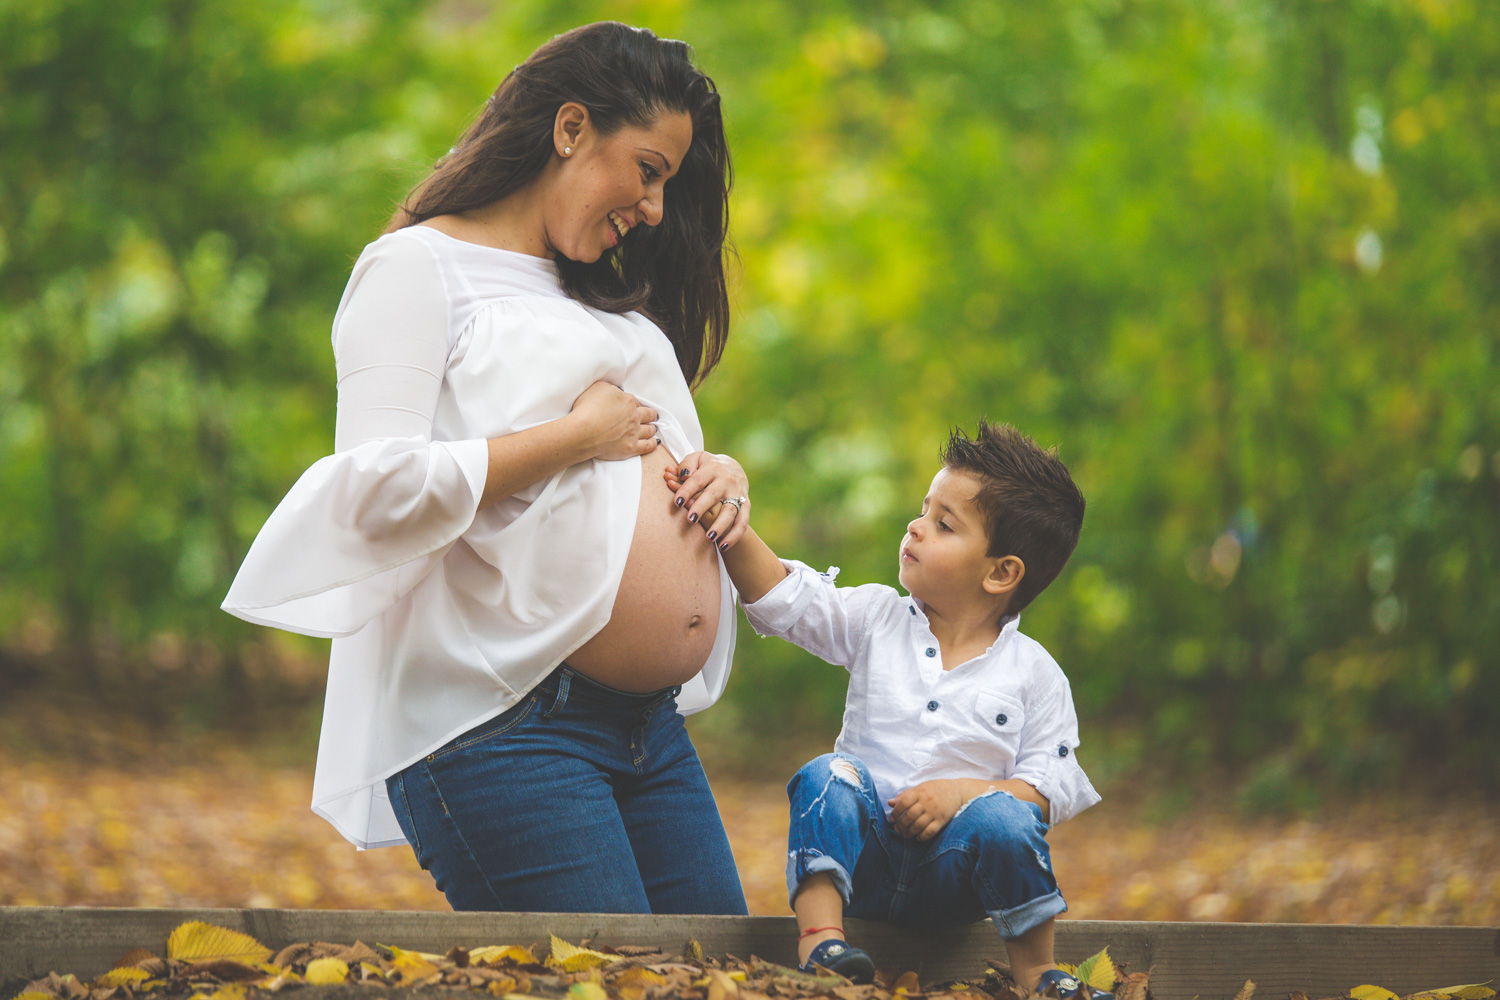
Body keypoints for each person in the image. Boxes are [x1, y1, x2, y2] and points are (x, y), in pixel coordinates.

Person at [222, 22, 753, 915]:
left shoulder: (593, 287)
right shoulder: (414, 269)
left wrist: (719, 478)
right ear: (571, 128)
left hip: (647, 731)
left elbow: (637, 458)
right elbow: (373, 491)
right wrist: (574, 438)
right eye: (649, 169)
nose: (656, 208)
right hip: (503, 723)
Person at [666, 422, 1102, 994]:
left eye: (944, 524)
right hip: (864, 862)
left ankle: (1038, 974)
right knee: (829, 774)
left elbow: (1049, 793)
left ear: (1001, 572)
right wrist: (732, 528)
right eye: (923, 510)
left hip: (956, 878)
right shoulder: (878, 618)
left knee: (1006, 815)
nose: (915, 527)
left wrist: (962, 793)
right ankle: (821, 942)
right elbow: (787, 600)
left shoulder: (1035, 673)